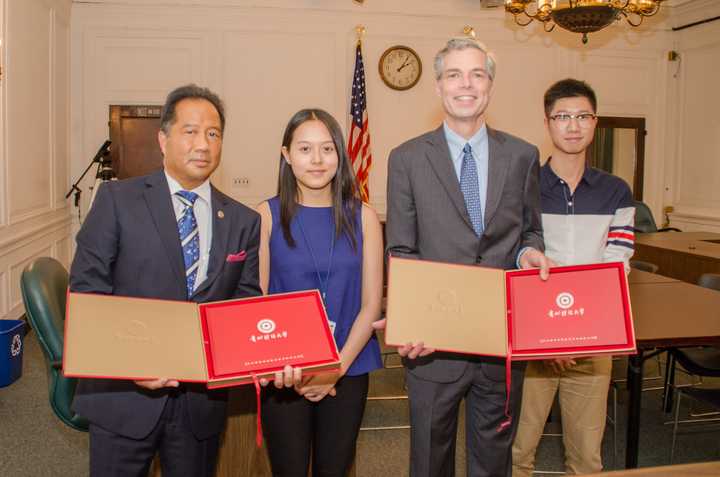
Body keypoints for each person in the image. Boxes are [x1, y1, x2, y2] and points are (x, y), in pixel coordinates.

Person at [69, 84, 295, 476]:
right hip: (124, 396)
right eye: (189, 131)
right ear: (163, 138)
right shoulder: (117, 201)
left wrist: (273, 356)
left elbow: (241, 309)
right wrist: (129, 363)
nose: (202, 144)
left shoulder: (243, 221)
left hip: (199, 406)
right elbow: (86, 293)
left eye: (213, 133)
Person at [383, 37, 551, 477]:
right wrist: (411, 321)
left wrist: (531, 253)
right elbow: (401, 251)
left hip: (501, 341)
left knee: (494, 461)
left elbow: (530, 230)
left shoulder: (523, 155)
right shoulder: (406, 159)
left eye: (477, 74)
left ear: (490, 86)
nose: (466, 84)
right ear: (438, 86)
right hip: (433, 346)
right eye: (454, 74)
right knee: (429, 460)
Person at [511, 78, 635, 476]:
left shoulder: (616, 191)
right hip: (532, 342)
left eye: (583, 116)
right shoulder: (524, 187)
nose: (573, 125)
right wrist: (550, 337)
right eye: (562, 116)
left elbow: (618, 263)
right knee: (516, 453)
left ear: (595, 122)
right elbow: (514, 260)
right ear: (547, 123)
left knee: (586, 458)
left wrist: (579, 333)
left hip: (593, 341)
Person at [256, 109, 384, 477]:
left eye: (327, 149)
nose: (316, 160)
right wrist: (289, 368)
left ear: (340, 155)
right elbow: (258, 302)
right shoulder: (265, 215)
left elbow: (371, 304)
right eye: (305, 149)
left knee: (335, 468)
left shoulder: (364, 217)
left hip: (349, 365)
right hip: (284, 373)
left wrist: (334, 370)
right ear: (286, 155)